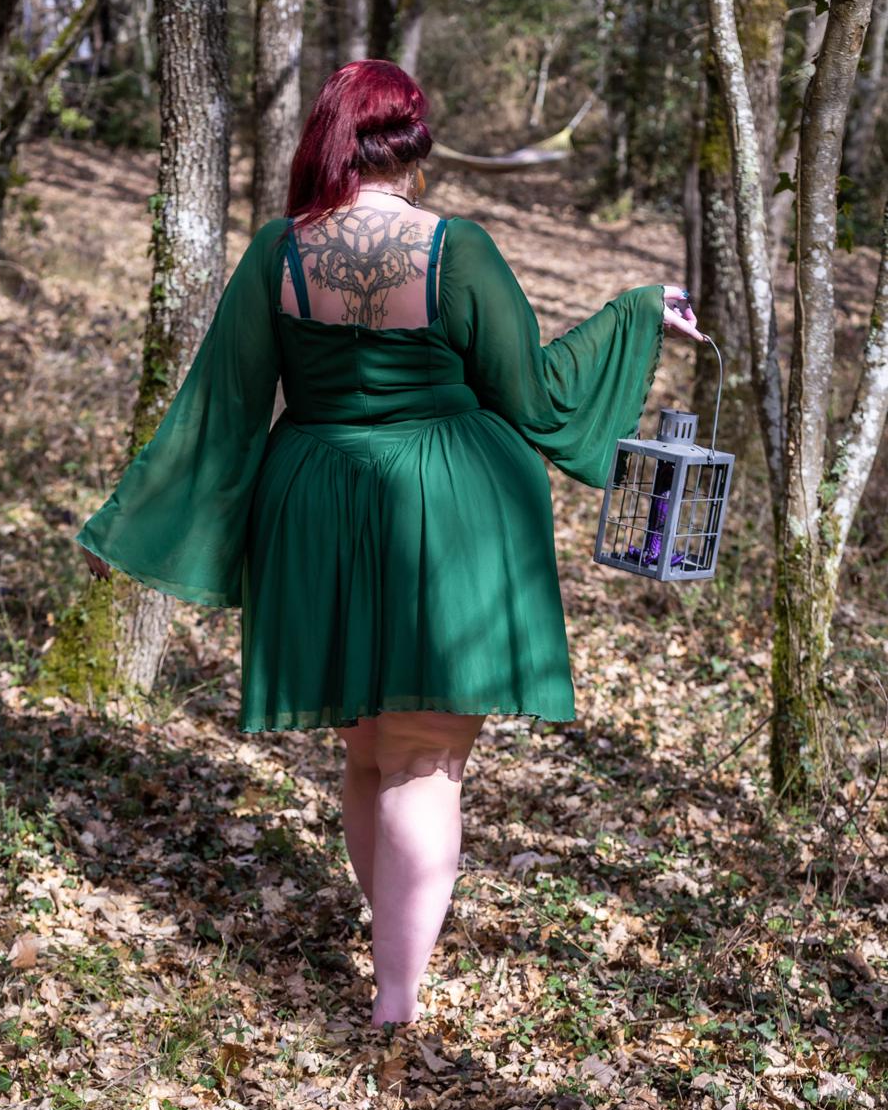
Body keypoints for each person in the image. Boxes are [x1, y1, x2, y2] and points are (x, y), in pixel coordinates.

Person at [76, 59, 703, 1029]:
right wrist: (633, 311)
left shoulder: (280, 251)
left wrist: (129, 525)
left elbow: (223, 408)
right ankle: (396, 1002)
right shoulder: (456, 248)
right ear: (413, 146)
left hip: (317, 507)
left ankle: (391, 956)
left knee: (368, 753)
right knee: (423, 762)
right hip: (448, 511)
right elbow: (536, 396)